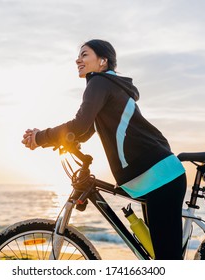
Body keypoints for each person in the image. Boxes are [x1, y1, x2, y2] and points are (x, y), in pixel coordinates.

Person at [22, 39, 187, 260]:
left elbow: (79, 125)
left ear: (102, 61)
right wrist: (47, 139)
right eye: (78, 55)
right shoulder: (108, 85)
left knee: (168, 260)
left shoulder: (99, 83)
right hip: (156, 174)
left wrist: (40, 136)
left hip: (158, 175)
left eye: (84, 54)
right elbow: (84, 131)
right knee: (162, 256)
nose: (78, 59)